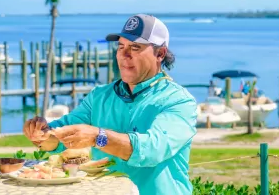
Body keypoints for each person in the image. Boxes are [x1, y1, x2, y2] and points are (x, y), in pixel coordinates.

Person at [22, 14, 197, 195]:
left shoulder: (179, 101)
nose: (124, 55)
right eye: (121, 47)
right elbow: (60, 137)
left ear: (160, 53)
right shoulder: (99, 96)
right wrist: (40, 134)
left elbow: (152, 149)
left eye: (135, 47)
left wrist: (98, 137)